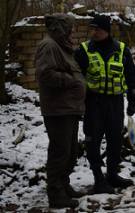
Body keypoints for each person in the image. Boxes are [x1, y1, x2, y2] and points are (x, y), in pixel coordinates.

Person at [74, 15, 135, 194]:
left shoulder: (121, 50)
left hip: (115, 102)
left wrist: (132, 101)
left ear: (107, 31)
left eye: (97, 29)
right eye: (92, 28)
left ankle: (112, 174)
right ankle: (98, 179)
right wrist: (78, 105)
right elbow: (75, 78)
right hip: (93, 103)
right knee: (92, 141)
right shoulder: (84, 50)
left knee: (115, 139)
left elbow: (132, 77)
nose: (94, 32)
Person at [35, 13, 87, 208]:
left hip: (69, 108)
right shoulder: (49, 46)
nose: (73, 31)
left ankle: (64, 186)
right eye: (71, 27)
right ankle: (56, 194)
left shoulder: (61, 46)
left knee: (71, 151)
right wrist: (72, 81)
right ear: (62, 28)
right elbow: (45, 74)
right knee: (60, 152)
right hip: (58, 110)